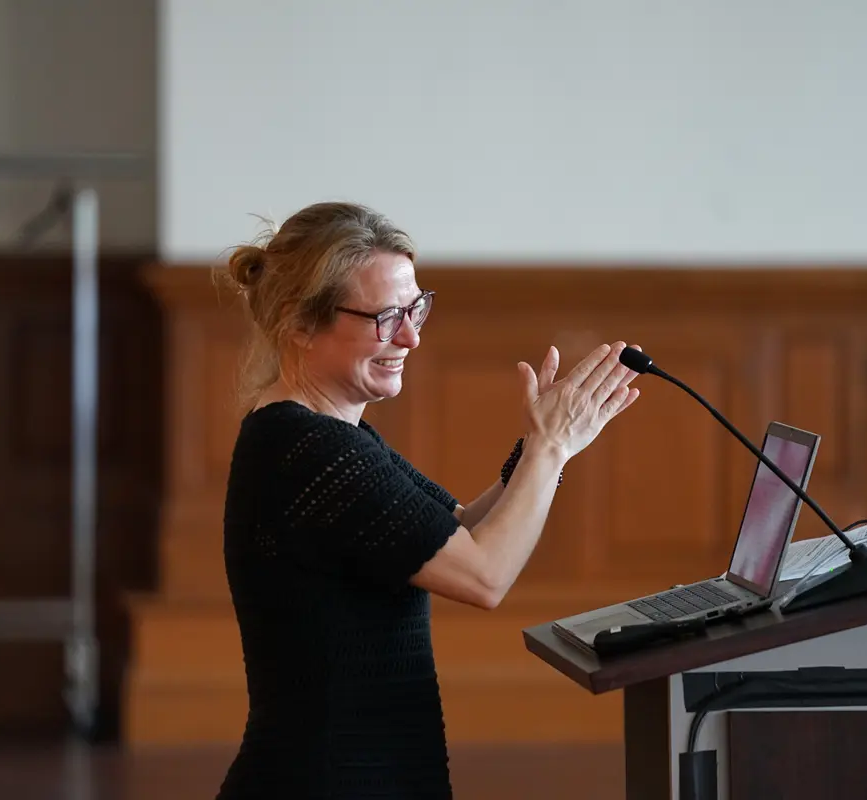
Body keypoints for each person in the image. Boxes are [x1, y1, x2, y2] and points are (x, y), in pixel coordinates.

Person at [214, 201, 642, 799]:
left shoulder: (335, 437)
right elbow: (484, 575)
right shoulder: (307, 450)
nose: (411, 337)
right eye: (386, 317)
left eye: (415, 309)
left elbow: (457, 530)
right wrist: (547, 449)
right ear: (300, 323)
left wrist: (552, 450)